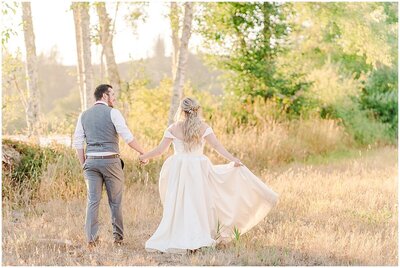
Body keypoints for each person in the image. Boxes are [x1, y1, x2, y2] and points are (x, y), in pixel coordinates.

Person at [139, 97, 278, 253]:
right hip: (198, 167)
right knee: (198, 202)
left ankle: (179, 234)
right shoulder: (204, 127)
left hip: (179, 168)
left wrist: (144, 157)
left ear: (181, 110)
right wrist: (233, 159)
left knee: (180, 202)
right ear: (197, 110)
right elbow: (217, 146)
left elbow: (159, 150)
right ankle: (197, 235)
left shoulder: (173, 128)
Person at [73, 84, 147, 247]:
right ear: (104, 96)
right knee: (115, 201)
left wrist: (84, 164)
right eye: (112, 94)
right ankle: (118, 239)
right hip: (110, 161)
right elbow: (127, 137)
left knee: (93, 201)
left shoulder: (83, 115)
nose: (114, 97)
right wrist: (142, 152)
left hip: (91, 162)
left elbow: (78, 142)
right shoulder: (113, 113)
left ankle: (91, 240)